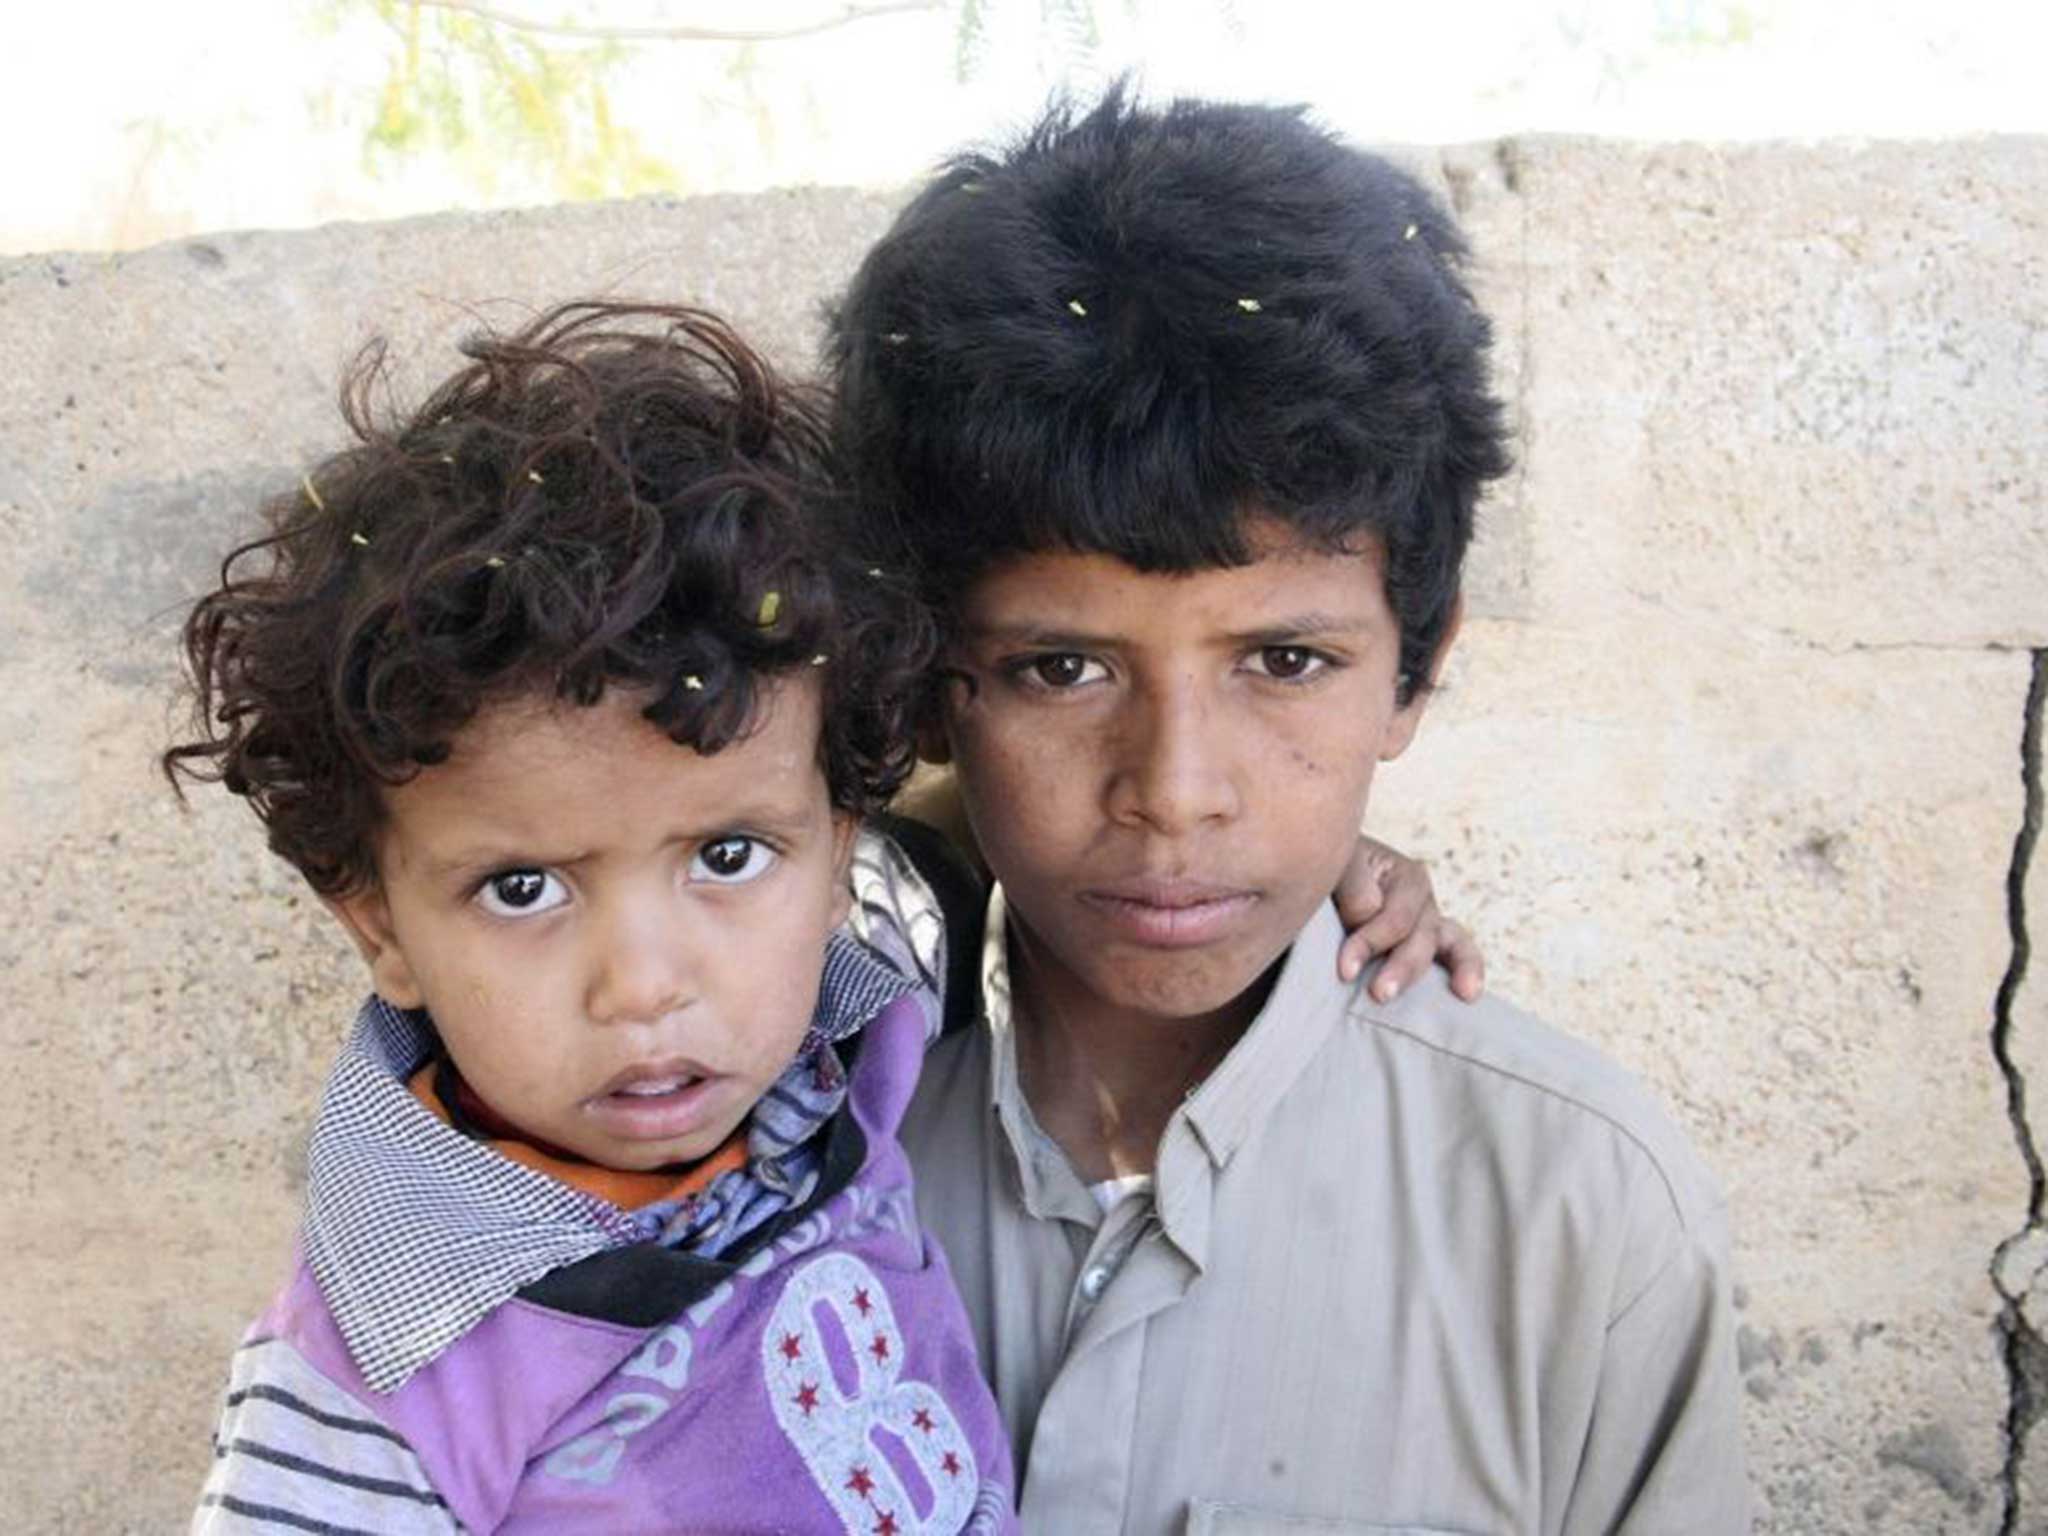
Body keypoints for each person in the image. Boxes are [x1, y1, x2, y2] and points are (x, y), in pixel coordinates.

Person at [830, 87, 1750, 1533]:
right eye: (1058, 668)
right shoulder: (777, 1146)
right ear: (935, 682)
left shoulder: (1577, 1215)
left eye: (1285, 663)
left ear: (1415, 673)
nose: (1177, 792)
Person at [168, 302, 1017, 1534]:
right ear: (379, 929)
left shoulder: (851, 1002)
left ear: (837, 853)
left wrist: (1334, 870)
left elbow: (1029, 846)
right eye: (524, 889)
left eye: (726, 856)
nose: (643, 985)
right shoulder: (382, 1382)